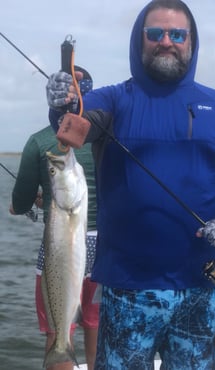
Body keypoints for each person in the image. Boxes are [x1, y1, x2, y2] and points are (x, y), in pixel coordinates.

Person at [46, 1, 215, 369]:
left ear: (192, 41)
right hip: (127, 290)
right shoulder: (112, 100)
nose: (166, 41)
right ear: (139, 40)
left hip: (202, 290)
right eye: (155, 33)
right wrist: (62, 102)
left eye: (177, 34)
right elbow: (74, 122)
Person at [9, 68, 99, 370]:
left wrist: (29, 201)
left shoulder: (39, 142)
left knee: (60, 329)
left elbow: (20, 203)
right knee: (97, 325)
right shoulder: (104, 139)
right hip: (107, 248)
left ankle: (60, 351)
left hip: (60, 244)